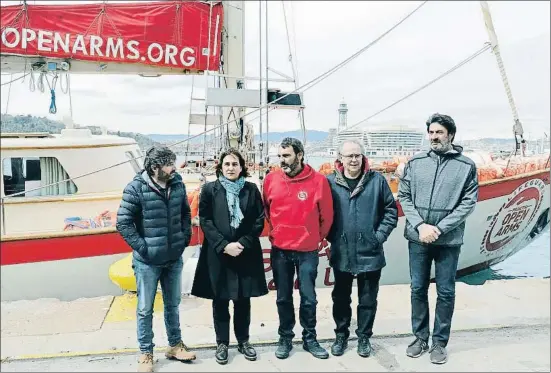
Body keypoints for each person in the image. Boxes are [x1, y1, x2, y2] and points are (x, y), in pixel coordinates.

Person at [397, 113, 478, 364]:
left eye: (439, 132)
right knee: (418, 288)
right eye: (431, 132)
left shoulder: (466, 166)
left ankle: (439, 343)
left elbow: (468, 203)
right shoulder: (416, 162)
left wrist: (439, 228)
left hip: (448, 240)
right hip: (417, 237)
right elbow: (405, 196)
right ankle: (420, 337)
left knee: (445, 291)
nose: (434, 137)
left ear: (450, 135)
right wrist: (421, 226)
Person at [116, 146, 196, 373]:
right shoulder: (135, 189)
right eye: (170, 164)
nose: (174, 168)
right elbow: (123, 223)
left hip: (173, 258)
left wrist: (184, 239)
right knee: (145, 308)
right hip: (147, 262)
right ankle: (145, 353)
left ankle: (175, 345)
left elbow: (185, 213)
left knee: (173, 305)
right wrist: (145, 249)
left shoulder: (177, 184)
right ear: (155, 168)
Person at [191, 148, 268, 365]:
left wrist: (242, 243)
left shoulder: (251, 190)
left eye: (235, 164)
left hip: (245, 252)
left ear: (242, 167)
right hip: (219, 253)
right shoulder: (209, 190)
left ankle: (243, 341)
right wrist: (224, 245)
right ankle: (222, 343)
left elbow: (258, 220)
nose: (231, 168)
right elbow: (205, 220)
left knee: (243, 300)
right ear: (220, 167)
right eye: (227, 164)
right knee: (220, 300)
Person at [263, 137, 334, 360]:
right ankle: (285, 336)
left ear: (300, 155)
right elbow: (267, 209)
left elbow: (327, 216)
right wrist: (278, 233)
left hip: (307, 251)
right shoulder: (270, 179)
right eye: (280, 156)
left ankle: (310, 338)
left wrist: (314, 238)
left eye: (287, 156)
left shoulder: (319, 181)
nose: (282, 160)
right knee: (283, 297)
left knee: (308, 297)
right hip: (280, 250)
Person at [326, 139, 398, 358]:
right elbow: (321, 212)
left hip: (370, 250)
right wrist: (332, 237)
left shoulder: (377, 181)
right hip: (342, 250)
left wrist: (378, 237)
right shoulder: (330, 182)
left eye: (357, 155)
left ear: (363, 157)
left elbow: (390, 211)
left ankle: (364, 337)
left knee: (367, 299)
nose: (354, 160)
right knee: (340, 297)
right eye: (349, 156)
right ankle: (341, 335)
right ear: (340, 159)